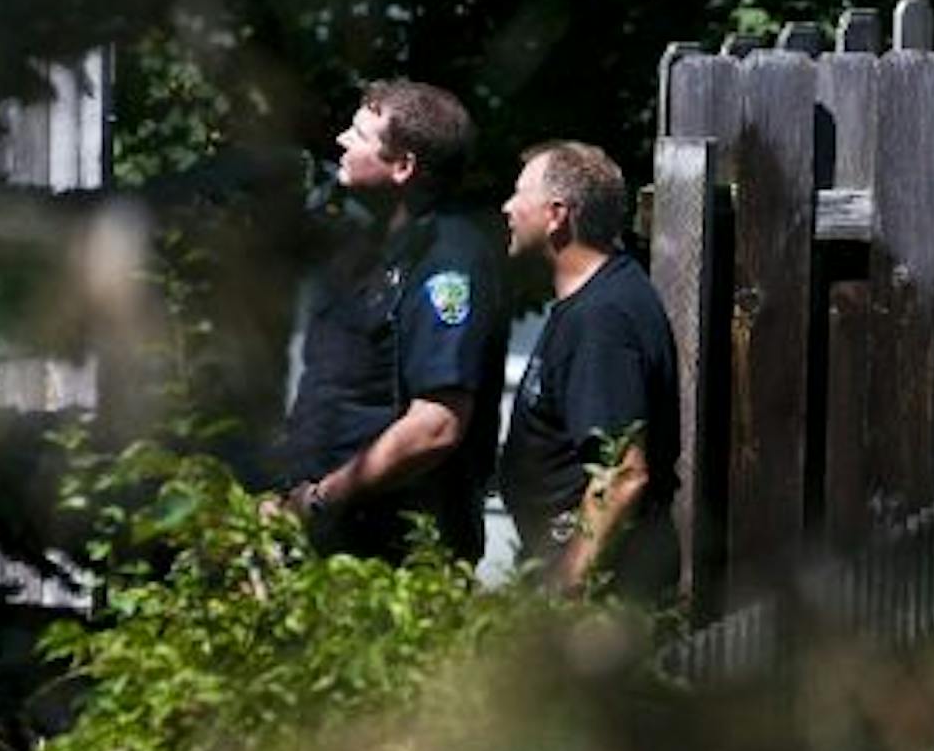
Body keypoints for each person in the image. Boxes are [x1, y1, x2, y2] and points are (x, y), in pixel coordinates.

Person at [274, 80, 510, 565]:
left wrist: (321, 500)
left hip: (398, 557)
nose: (340, 140)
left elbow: (436, 424)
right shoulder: (368, 250)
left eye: (359, 135)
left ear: (403, 167)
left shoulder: (447, 261)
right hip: (331, 539)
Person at [497, 140, 680, 600]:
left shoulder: (601, 319)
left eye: (520, 194)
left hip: (599, 603)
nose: (507, 207)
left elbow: (621, 474)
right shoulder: (594, 300)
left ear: (556, 214)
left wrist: (565, 586)